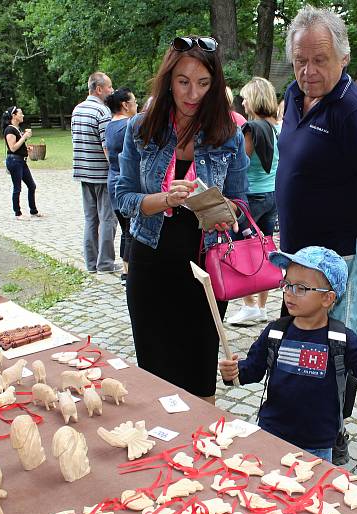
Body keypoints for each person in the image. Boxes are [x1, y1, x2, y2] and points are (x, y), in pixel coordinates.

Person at [276, 5, 357, 465]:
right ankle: (300, 420)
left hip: (342, 258)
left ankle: (332, 433)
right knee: (297, 343)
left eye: (320, 60)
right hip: (298, 257)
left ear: (343, 57)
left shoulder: (355, 112)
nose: (308, 71)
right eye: (300, 60)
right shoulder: (293, 96)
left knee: (331, 349)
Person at [116, 35, 249, 404]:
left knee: (200, 372)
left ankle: (200, 454)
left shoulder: (229, 134)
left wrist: (222, 211)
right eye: (183, 82)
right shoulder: (141, 129)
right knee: (156, 373)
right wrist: (161, 199)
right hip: (151, 264)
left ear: (215, 84)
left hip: (205, 268)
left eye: (204, 84)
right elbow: (121, 196)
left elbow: (240, 200)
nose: (193, 93)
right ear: (168, 80)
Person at [219, 246, 357, 462]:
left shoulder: (341, 338)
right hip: (271, 432)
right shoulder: (276, 331)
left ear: (328, 298)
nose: (289, 293)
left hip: (317, 445)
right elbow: (254, 370)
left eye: (301, 288)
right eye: (287, 285)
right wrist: (234, 372)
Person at [226, 76, 281, 325]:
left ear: (255, 99)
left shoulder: (251, 128)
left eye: (246, 97)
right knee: (265, 248)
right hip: (272, 195)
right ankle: (261, 306)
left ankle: (249, 305)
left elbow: (241, 163)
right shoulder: (278, 127)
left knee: (242, 249)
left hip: (252, 195)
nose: (243, 102)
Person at [72, 71, 119, 274]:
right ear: (99, 89)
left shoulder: (77, 109)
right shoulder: (102, 112)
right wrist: (116, 169)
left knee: (91, 218)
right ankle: (105, 263)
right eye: (109, 87)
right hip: (101, 173)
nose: (112, 90)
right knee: (108, 218)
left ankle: (91, 263)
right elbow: (106, 146)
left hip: (83, 171)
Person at [104, 88, 138, 286]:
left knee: (126, 229)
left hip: (113, 181)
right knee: (131, 229)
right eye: (134, 101)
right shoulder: (128, 125)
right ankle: (130, 271)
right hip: (127, 182)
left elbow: (108, 153)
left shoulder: (110, 125)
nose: (136, 105)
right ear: (125, 104)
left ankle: (126, 271)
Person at [1, 106, 41, 220]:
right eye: (20, 113)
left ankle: (33, 211)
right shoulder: (9, 129)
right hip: (14, 161)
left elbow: (18, 146)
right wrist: (24, 137)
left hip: (21, 161)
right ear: (14, 116)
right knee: (17, 187)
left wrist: (26, 149)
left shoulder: (17, 128)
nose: (22, 115)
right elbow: (12, 148)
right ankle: (18, 213)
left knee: (32, 186)